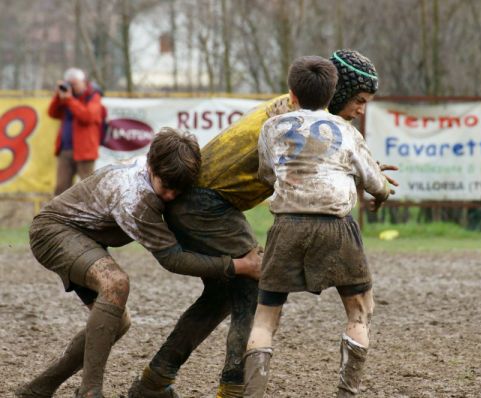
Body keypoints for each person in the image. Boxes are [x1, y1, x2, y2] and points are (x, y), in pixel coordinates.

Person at [128, 49, 393, 398]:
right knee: (253, 280)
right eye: (358, 100)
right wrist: (368, 179)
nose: (361, 110)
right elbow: (308, 172)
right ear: (335, 92)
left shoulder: (293, 110)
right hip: (207, 202)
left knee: (223, 295)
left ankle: (155, 380)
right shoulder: (295, 118)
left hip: (202, 199)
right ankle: (234, 387)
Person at [15, 128, 261, 398]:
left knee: (117, 323)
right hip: (53, 232)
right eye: (166, 187)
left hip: (85, 236)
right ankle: (90, 393)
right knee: (115, 284)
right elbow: (172, 259)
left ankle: (39, 389)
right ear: (152, 166)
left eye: (179, 190)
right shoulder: (137, 198)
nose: (170, 196)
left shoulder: (160, 170)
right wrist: (237, 266)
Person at [242, 55, 392, 398]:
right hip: (336, 228)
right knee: (360, 311)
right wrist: (381, 194)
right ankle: (346, 391)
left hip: (286, 226)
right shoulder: (347, 132)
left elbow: (267, 173)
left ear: (292, 94)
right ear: (333, 93)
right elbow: (376, 183)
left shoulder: (272, 127)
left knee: (265, 318)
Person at [48, 67, 105, 196]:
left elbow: (88, 116)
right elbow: (52, 113)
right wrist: (58, 95)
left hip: (85, 151)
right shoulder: (68, 98)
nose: (72, 88)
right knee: (61, 188)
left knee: (87, 189)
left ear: (83, 82)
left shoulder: (93, 96)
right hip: (65, 150)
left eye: (74, 84)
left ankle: (89, 216)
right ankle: (59, 215)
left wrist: (69, 100)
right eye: (69, 84)